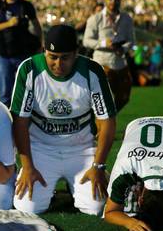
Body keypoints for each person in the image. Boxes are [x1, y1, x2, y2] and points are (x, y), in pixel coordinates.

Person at [12, 25, 117, 215]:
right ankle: (52, 187)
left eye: (65, 57)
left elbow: (107, 120)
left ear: (76, 53)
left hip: (82, 149)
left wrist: (98, 166)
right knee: (27, 208)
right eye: (52, 57)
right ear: (44, 51)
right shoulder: (30, 69)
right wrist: (27, 166)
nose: (58, 64)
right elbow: (20, 121)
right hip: (41, 149)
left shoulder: (92, 71)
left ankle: (77, 183)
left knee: (96, 206)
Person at [0, 0, 42, 107]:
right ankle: (7, 124)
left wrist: (40, 45)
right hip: (3, 54)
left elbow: (37, 26)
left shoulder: (26, 6)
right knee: (5, 94)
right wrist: (8, 24)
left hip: (23, 53)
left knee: (29, 91)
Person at [83, 0, 135, 112]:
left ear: (120, 0)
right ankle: (102, 121)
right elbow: (86, 41)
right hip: (102, 63)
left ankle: (108, 118)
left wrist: (123, 49)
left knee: (124, 97)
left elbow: (131, 41)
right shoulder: (95, 18)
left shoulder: (127, 18)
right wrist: (103, 43)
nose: (113, 1)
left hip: (120, 62)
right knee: (101, 99)